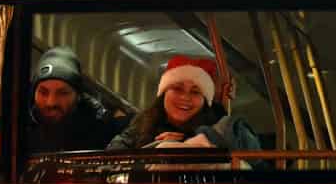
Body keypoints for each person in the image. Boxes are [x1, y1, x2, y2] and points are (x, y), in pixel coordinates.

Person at [107, 55, 260, 151]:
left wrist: (185, 145)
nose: (185, 97)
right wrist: (154, 148)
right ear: (163, 93)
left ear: (205, 100)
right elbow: (111, 158)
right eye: (177, 88)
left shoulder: (223, 127)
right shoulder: (142, 123)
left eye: (195, 92)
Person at [23, 46, 126, 154]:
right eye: (43, 92)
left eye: (63, 93)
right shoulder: (17, 129)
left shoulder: (101, 130)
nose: (51, 102)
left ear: (78, 96)